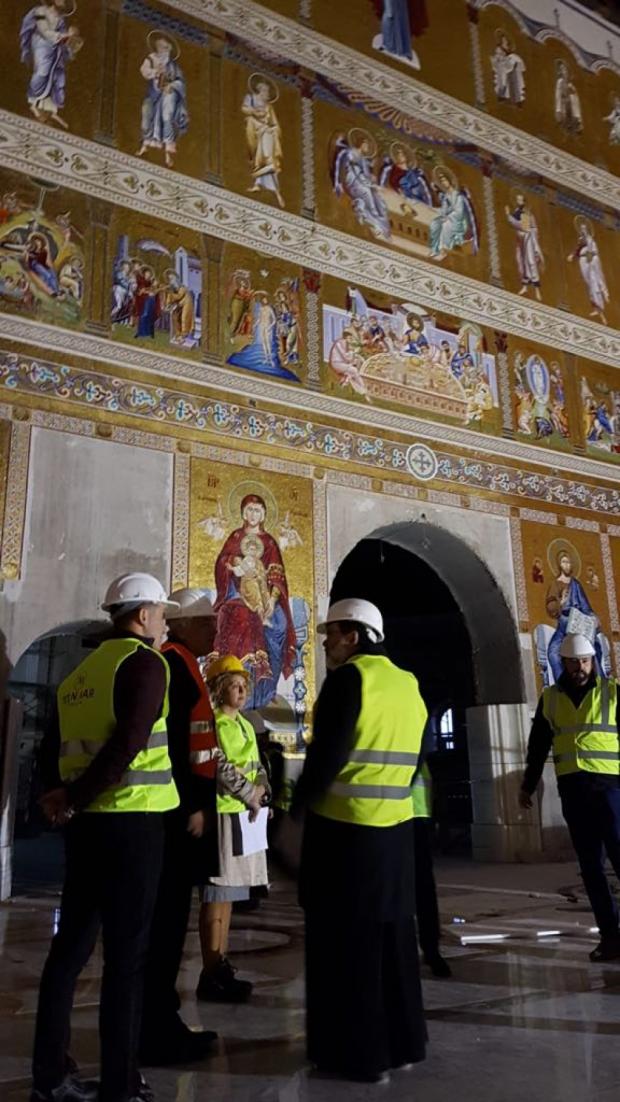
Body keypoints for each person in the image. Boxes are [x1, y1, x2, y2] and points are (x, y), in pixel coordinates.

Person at [31, 573, 181, 1102]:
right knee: (127, 960)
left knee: (69, 951)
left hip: (87, 828)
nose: (165, 624)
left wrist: (61, 796)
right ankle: (121, 1085)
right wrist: (74, 797)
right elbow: (129, 744)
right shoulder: (145, 662)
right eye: (162, 614)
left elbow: (52, 745)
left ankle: (49, 1078)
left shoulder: (81, 672)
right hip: (132, 823)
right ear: (142, 615)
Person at [291, 598, 428, 1084]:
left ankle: (358, 1055)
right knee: (393, 941)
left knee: (347, 947)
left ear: (354, 635)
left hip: (345, 833)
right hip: (396, 832)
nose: (326, 642)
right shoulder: (408, 683)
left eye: (331, 633)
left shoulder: (350, 680)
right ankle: (404, 1045)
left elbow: (326, 756)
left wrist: (296, 809)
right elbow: (420, 756)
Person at [139, 588, 220, 1066]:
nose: (215, 630)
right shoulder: (173, 663)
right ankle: (157, 1030)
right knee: (165, 925)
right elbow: (172, 744)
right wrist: (192, 805)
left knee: (171, 923)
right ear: (182, 624)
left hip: (184, 812)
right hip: (177, 817)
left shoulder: (185, 663)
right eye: (206, 621)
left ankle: (162, 1020)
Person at [519, 633, 620, 962]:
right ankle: (610, 937)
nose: (580, 668)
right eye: (574, 663)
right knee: (591, 868)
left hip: (611, 789)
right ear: (563, 663)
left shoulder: (612, 693)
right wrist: (528, 784)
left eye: (585, 661)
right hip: (574, 792)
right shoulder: (550, 699)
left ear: (593, 661)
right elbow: (538, 746)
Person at [196, 656, 271, 1002]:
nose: (241, 691)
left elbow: (257, 763)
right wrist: (248, 793)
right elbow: (220, 765)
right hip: (224, 815)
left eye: (244, 685)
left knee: (231, 896)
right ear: (218, 688)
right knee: (217, 895)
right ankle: (211, 968)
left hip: (244, 816)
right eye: (234, 685)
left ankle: (220, 964)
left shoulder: (244, 724)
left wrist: (262, 789)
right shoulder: (213, 722)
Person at [412, 758, 452, 978]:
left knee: (395, 889)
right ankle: (431, 950)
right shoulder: (418, 741)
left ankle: (424, 949)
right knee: (424, 889)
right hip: (419, 814)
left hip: (389, 816)